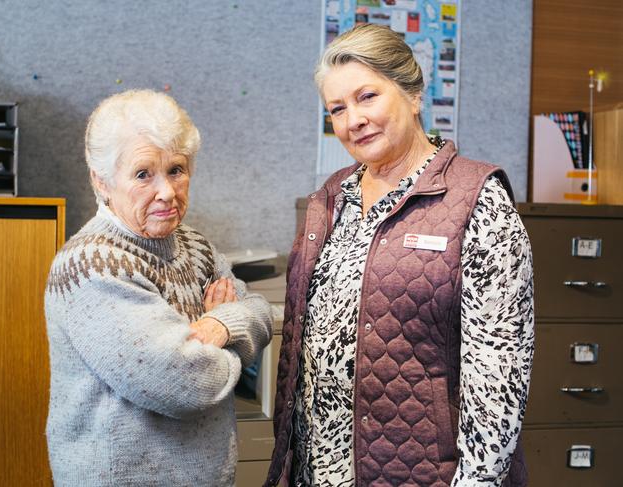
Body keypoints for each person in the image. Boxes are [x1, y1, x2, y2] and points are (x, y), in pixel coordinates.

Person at [266, 24, 534, 487]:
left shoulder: (477, 200)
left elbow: (499, 380)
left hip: (421, 472)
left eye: (367, 96)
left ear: (412, 94)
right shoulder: (332, 199)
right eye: (337, 108)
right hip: (319, 470)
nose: (353, 120)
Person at [44, 89, 273, 486]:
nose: (166, 191)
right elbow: (188, 385)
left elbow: (261, 313)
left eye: (177, 170)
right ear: (102, 181)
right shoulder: (91, 266)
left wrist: (219, 326)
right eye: (142, 174)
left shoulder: (195, 246)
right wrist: (236, 339)